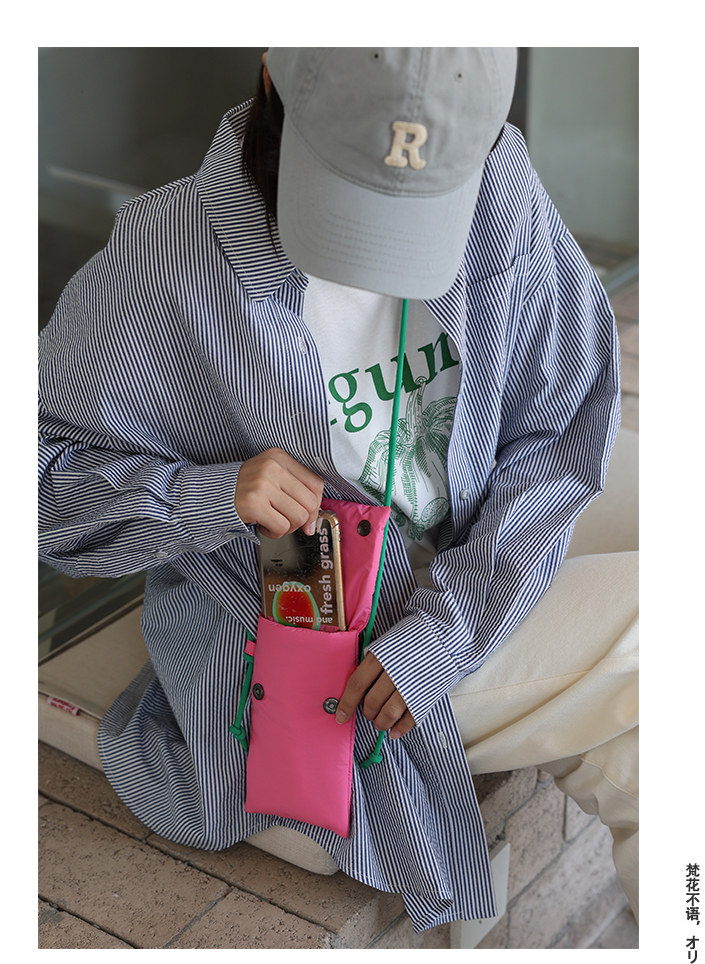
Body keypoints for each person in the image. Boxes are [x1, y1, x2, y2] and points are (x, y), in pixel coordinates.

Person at [38, 48, 637, 933]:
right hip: (330, 657)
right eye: (354, 187)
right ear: (274, 74)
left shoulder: (499, 186)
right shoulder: (168, 257)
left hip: (465, 567)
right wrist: (212, 494)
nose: (383, 250)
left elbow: (561, 419)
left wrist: (447, 628)